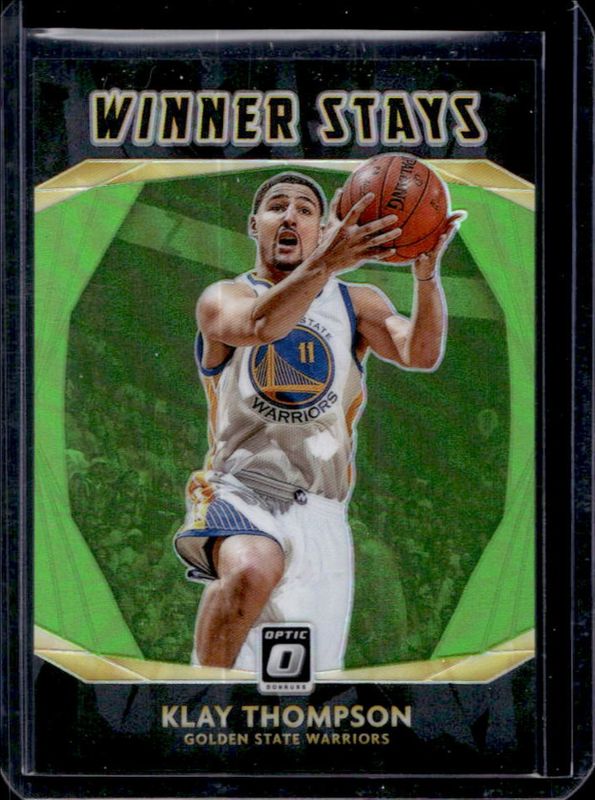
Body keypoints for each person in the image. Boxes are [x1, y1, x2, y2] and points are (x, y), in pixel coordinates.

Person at [174, 170, 462, 672]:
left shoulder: (357, 302)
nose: (290, 215)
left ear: (324, 227)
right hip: (242, 490)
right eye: (277, 206)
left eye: (305, 209)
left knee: (292, 682)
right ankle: (201, 689)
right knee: (251, 567)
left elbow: (420, 352)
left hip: (323, 511)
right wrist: (325, 262)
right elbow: (261, 325)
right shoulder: (224, 297)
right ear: (254, 225)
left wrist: (426, 275)